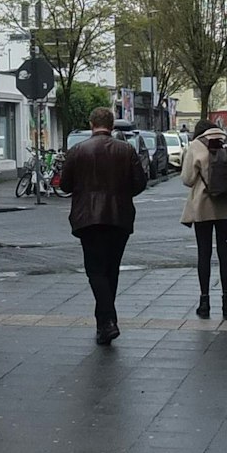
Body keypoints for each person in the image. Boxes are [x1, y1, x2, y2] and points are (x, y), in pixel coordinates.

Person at [55, 106, 148, 344]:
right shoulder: (125, 150)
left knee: (95, 271)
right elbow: (139, 183)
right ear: (112, 126)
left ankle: (107, 321)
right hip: (119, 217)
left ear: (90, 124)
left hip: (88, 219)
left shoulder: (77, 151)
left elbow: (64, 185)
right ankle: (104, 322)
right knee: (111, 270)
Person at [181, 119, 227, 319]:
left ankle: (204, 302)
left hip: (203, 208)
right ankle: (226, 302)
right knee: (226, 254)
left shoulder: (196, 146)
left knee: (204, 254)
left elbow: (187, 179)